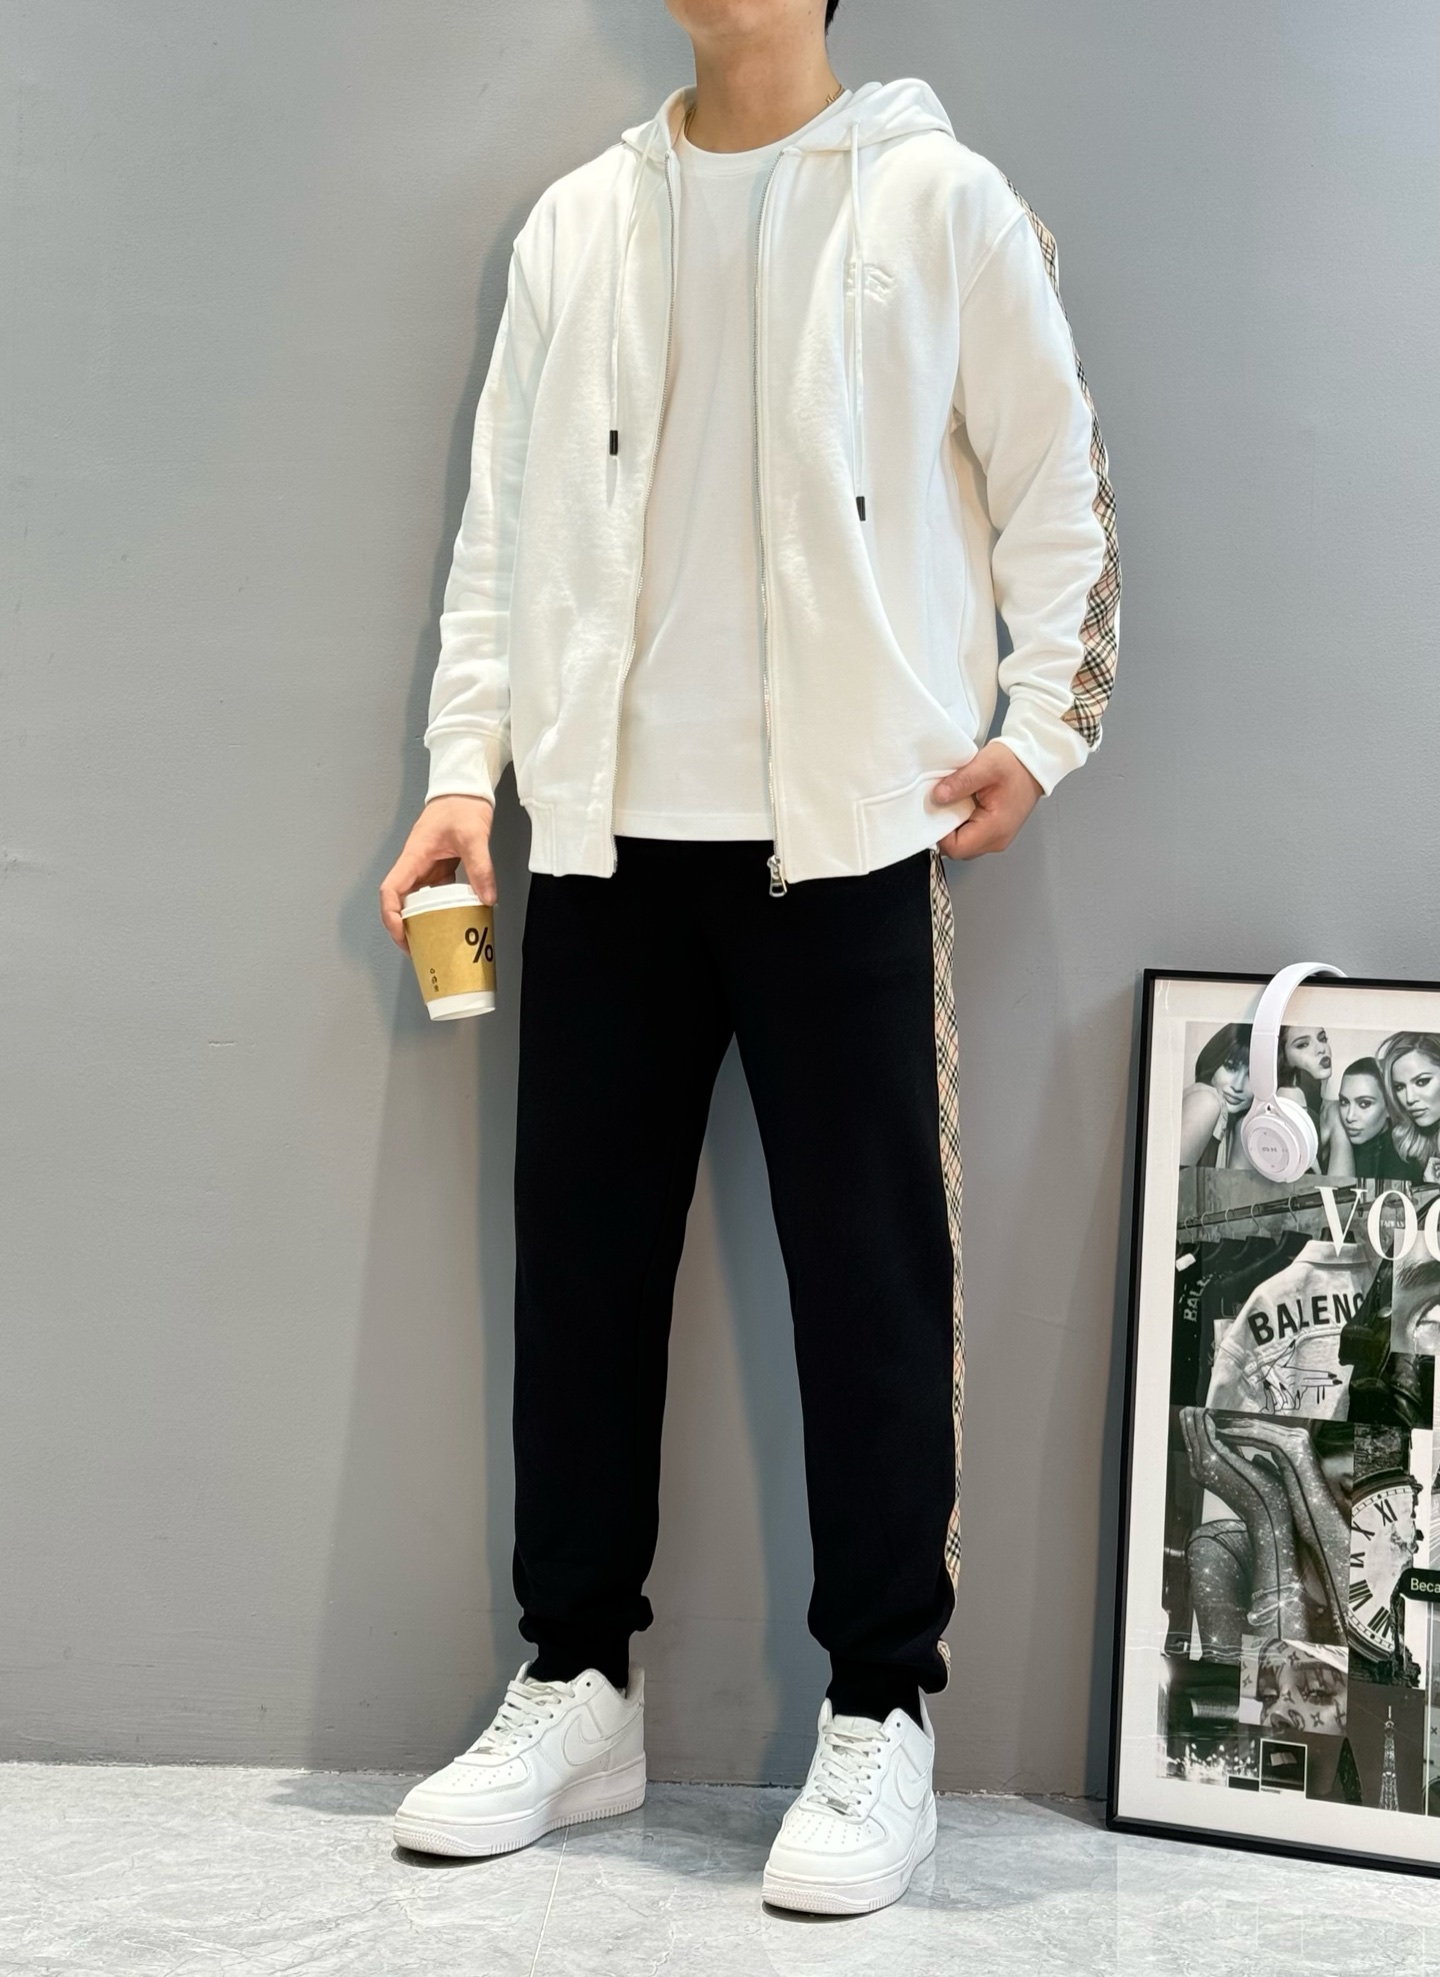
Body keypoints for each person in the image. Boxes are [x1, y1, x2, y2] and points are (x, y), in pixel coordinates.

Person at [377, 0, 1118, 1916]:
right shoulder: (578, 224)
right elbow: (501, 530)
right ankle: (578, 1682)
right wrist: (464, 774)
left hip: (849, 832)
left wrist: (1045, 725)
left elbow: (1062, 484)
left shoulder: (940, 202)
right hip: (604, 834)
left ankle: (883, 1707)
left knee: (871, 1279)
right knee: (581, 1271)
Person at [1277, 1023, 1354, 1176]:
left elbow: (1342, 1183)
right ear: (1283, 1058)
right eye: (1303, 1045)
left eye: (1322, 1039)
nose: (1321, 1049)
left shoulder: (1334, 1110)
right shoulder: (1286, 1096)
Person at [1179, 1024, 1254, 1169]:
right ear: (1213, 1061)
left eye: (1252, 1077)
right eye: (1231, 1067)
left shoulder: (1237, 1125)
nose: (1237, 1086)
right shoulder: (1205, 1102)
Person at [1338, 1056, 1421, 1182]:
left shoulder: (1405, 1163)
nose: (1349, 1117)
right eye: (1344, 1102)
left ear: (1389, 1107)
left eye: (1364, 1104)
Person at [1377, 1034, 1440, 1185]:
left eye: (1422, 1082)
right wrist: (1431, 1189)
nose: (1409, 1098)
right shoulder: (1400, 1144)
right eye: (1399, 1087)